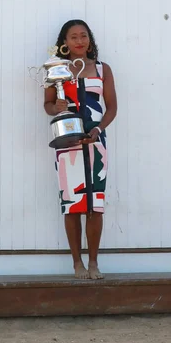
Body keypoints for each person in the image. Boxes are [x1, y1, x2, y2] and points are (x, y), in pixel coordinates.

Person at [44, 20, 117, 280]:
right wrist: (58, 107)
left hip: (96, 143)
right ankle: (77, 263)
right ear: (64, 41)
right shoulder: (56, 69)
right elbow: (48, 105)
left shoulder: (102, 69)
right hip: (68, 143)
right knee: (73, 204)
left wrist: (98, 129)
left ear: (89, 39)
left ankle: (94, 262)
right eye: (73, 37)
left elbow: (111, 108)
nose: (79, 41)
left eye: (83, 35)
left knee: (95, 205)